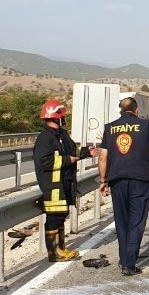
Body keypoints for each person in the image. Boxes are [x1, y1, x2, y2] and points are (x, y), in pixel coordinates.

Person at [98, 97, 149, 276]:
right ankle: (129, 264)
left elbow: (103, 157)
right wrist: (142, 159)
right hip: (141, 178)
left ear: (120, 110)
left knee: (122, 220)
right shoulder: (145, 125)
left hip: (117, 179)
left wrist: (103, 181)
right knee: (136, 220)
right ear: (136, 110)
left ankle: (123, 258)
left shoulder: (109, 128)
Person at [33, 99, 95, 262]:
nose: (64, 119)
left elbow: (72, 151)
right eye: (62, 116)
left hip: (64, 183)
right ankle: (54, 253)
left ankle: (60, 248)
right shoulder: (44, 139)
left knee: (61, 215)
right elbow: (44, 162)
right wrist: (68, 160)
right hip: (53, 187)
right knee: (54, 217)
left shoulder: (62, 135)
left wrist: (87, 152)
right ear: (56, 117)